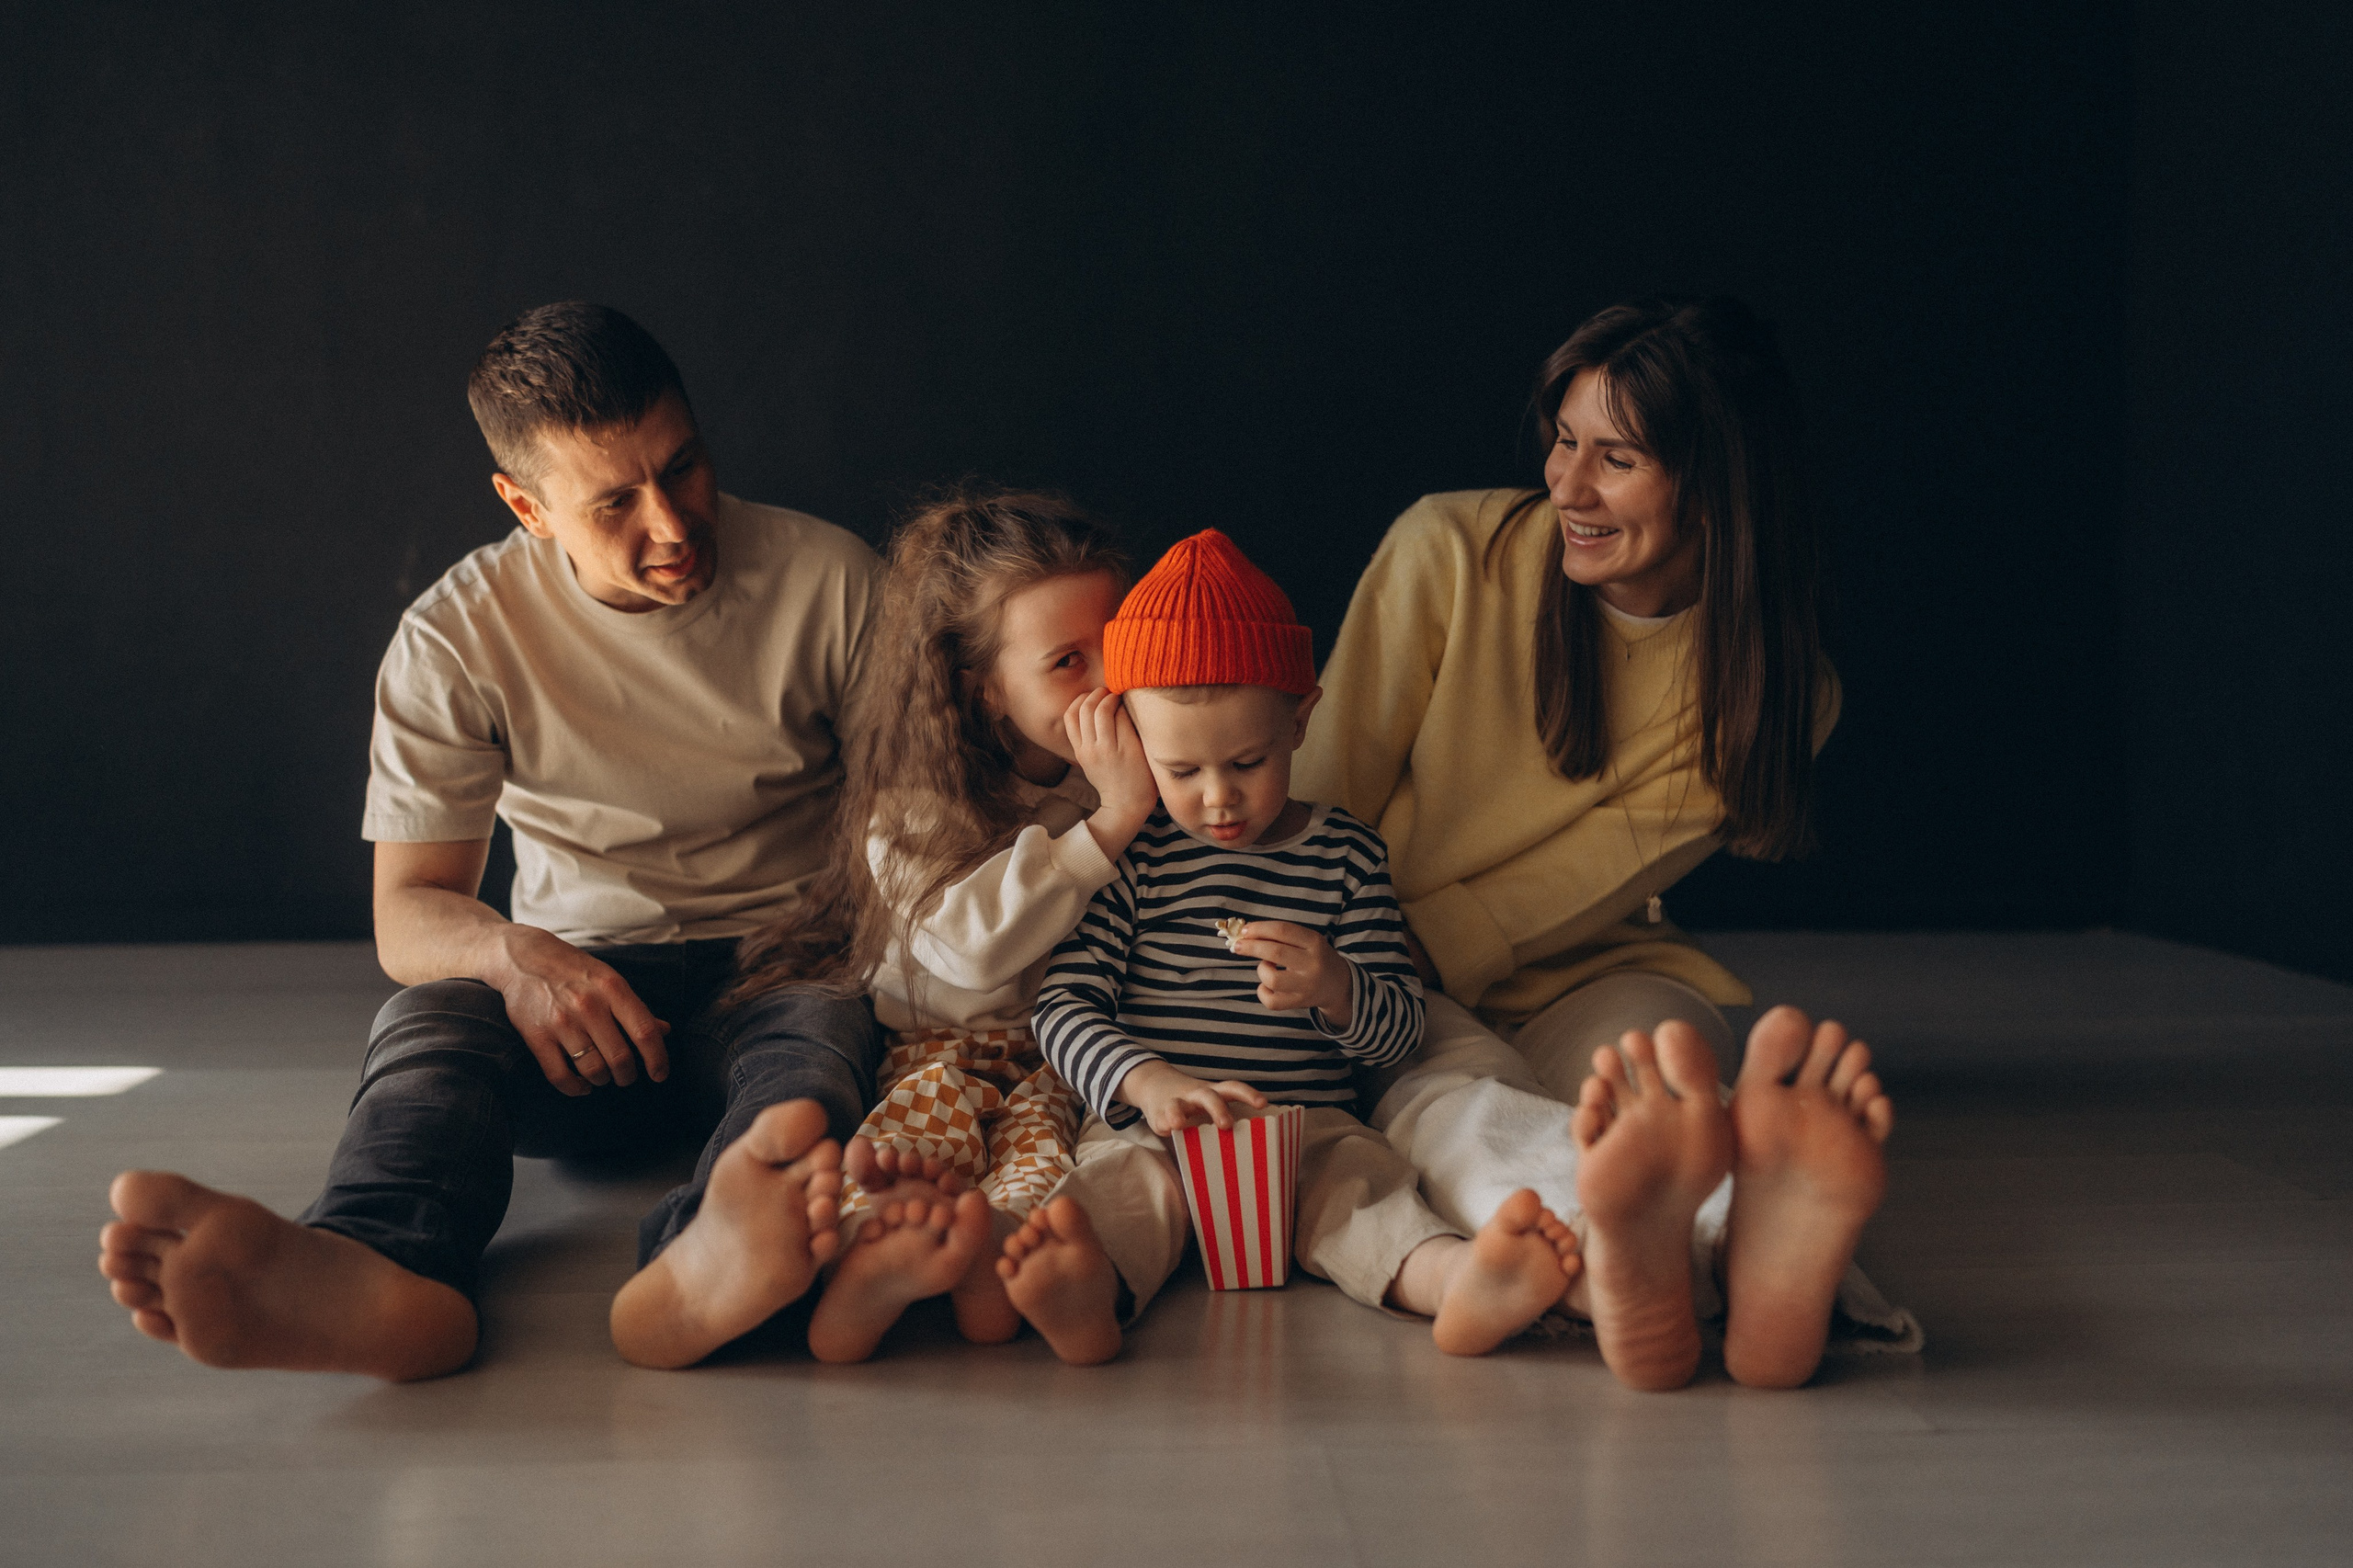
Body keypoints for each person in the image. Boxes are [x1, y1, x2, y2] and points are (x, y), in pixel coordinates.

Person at [99, 302, 886, 1381]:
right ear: (527, 506)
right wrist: (518, 958)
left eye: (684, 464)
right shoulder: (456, 634)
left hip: (790, 961)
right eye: (613, 500)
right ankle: (378, 1273)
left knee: (816, 1059)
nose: (671, 523)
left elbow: (918, 821)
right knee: (432, 1021)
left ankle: (703, 1261)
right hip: (588, 1001)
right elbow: (408, 910)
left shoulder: (832, 580)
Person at [1294, 295, 1918, 1390]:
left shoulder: (1776, 691)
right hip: (1372, 956)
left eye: (1616, 458)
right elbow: (1322, 791)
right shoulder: (1447, 549)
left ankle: (1744, 1250)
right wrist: (1344, 981)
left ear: (1716, 486)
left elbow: (1586, 881)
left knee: (1660, 1081)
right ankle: (1704, 1264)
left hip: (1587, 966)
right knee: (1446, 1105)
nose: (1569, 485)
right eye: (1563, 440)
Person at [1001, 529, 1581, 1366]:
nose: (1219, 798)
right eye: (1181, 771)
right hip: (1156, 1129)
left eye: (1248, 761)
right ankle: (1087, 1295)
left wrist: (1341, 988)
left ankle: (1453, 1282)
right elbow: (1060, 1009)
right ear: (1135, 743)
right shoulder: (1132, 857)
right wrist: (1148, 1081)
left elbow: (1401, 1031)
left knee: (1362, 1188)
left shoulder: (1346, 855)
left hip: (1305, 1125)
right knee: (1120, 1194)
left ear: (1300, 719)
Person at [716, 488, 1161, 1364]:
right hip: (933, 1052)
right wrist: (1112, 822)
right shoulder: (915, 804)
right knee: (901, 1161)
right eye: (1069, 661)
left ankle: (989, 1270)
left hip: (1056, 1061)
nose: (1109, 682)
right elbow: (972, 946)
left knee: (1043, 1188)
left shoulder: (1119, 773)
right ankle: (872, 1268)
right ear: (984, 689)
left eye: (1119, 644)